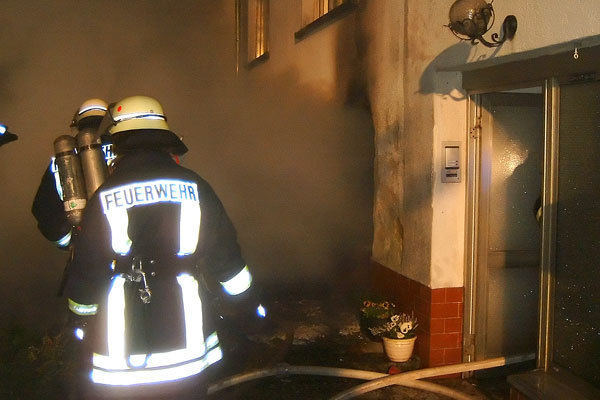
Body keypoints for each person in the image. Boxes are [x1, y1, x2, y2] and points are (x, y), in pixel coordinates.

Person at [64, 95, 265, 398]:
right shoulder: (196, 186)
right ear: (164, 138)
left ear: (119, 141)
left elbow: (88, 267)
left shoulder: (105, 195)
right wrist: (250, 306)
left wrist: (80, 316)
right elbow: (226, 258)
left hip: (123, 354)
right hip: (188, 348)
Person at [32, 98, 112, 249]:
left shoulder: (62, 159)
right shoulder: (124, 150)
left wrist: (66, 241)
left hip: (88, 245)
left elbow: (42, 207)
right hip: (131, 243)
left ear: (78, 125)